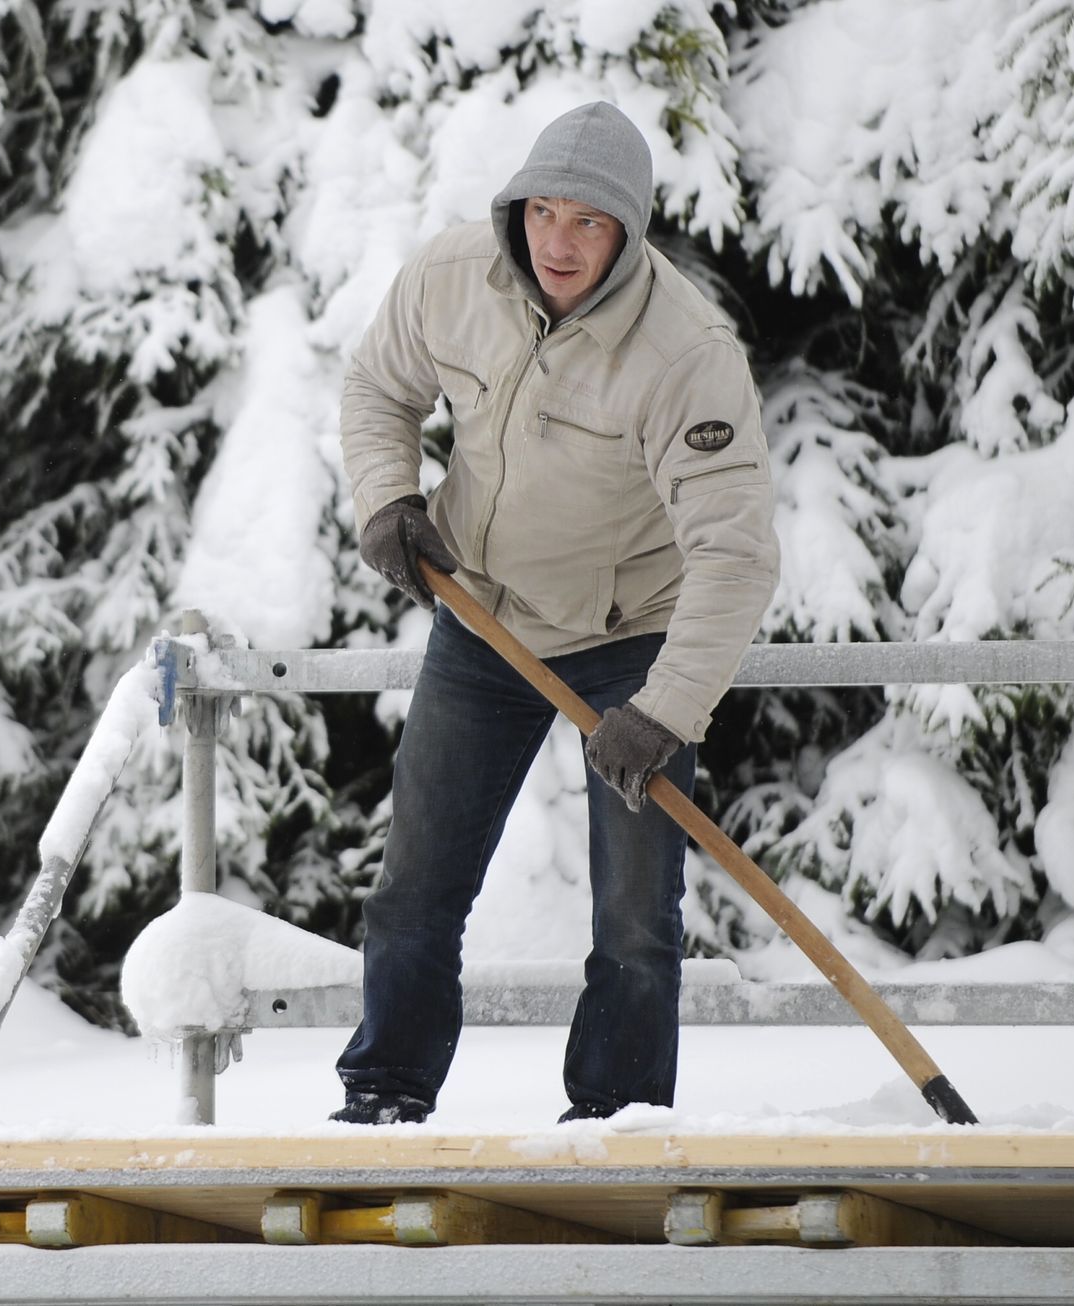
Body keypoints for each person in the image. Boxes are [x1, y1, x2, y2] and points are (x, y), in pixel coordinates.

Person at [334, 101, 780, 1125]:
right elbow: (375, 387)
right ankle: (385, 1093)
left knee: (633, 916)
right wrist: (387, 500)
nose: (559, 242)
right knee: (417, 883)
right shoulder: (451, 281)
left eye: (588, 222)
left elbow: (735, 552)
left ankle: (616, 1117)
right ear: (516, 208)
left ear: (627, 231)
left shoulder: (684, 352)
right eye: (543, 212)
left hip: (633, 639)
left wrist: (663, 708)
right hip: (484, 620)